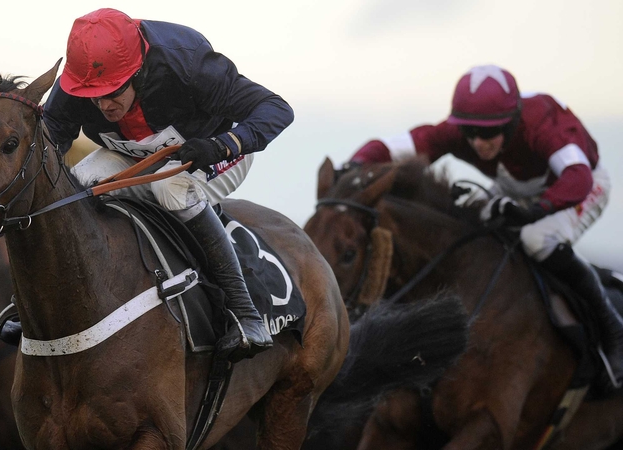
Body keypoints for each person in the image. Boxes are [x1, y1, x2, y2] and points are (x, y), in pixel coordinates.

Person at [41, 8, 294, 362]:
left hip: (210, 150)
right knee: (75, 185)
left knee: (170, 189)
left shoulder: (188, 65)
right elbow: (49, 139)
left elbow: (276, 108)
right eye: (93, 95)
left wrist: (222, 145)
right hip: (134, 155)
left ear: (138, 71)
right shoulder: (83, 78)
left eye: (113, 91)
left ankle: (245, 313)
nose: (103, 104)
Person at [349, 64, 622, 388]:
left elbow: (578, 176)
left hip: (581, 186)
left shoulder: (542, 123)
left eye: (489, 132)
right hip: (516, 191)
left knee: (537, 239)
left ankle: (614, 331)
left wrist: (535, 211)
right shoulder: (457, 132)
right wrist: (351, 166)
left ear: (513, 122)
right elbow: (393, 146)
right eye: (470, 132)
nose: (479, 142)